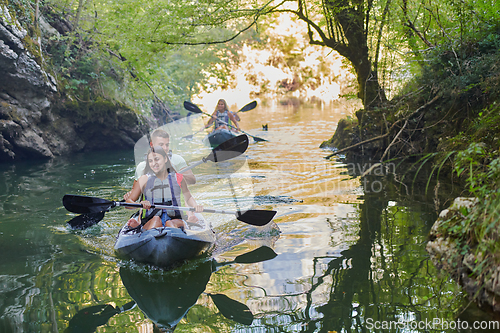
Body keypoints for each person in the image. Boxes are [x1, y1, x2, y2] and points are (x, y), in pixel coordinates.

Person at [125, 146, 203, 230]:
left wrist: (196, 206)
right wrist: (140, 204)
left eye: (157, 159)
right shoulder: (143, 179)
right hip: (151, 220)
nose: (154, 163)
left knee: (170, 223)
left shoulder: (178, 178)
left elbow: (189, 198)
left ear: (165, 159)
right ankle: (142, 228)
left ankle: (181, 229)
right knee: (156, 219)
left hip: (175, 219)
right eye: (150, 161)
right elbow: (128, 203)